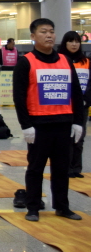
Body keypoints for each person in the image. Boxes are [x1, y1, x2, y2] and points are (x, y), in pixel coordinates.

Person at [13, 19, 85, 222]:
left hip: (63, 125)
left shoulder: (65, 60)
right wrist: (26, 125)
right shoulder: (26, 62)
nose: (49, 35)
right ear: (33, 36)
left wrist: (78, 121)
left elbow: (76, 94)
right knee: (35, 169)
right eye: (43, 31)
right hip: (38, 126)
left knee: (61, 169)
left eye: (52, 31)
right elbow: (19, 97)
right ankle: (33, 207)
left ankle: (62, 206)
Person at [58, 30, 91, 179]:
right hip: (65, 105)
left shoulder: (87, 62)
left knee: (79, 137)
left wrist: (86, 100)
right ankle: (66, 168)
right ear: (65, 43)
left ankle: (76, 168)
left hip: (82, 106)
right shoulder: (60, 61)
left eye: (77, 41)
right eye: (71, 41)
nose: (74, 44)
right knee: (66, 138)